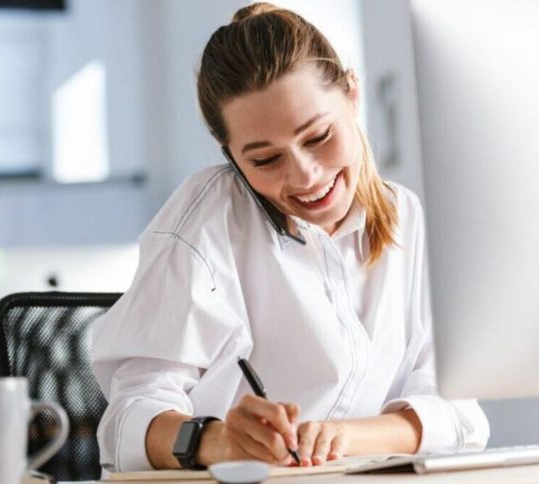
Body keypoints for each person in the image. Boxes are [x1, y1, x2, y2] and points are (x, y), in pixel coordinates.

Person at [91, 2, 489, 473]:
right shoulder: (206, 221)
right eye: (264, 160)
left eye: (318, 136)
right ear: (232, 156)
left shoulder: (405, 217)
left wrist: (344, 437)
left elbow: (460, 414)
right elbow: (126, 423)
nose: (305, 175)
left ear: (352, 96)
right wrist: (215, 441)